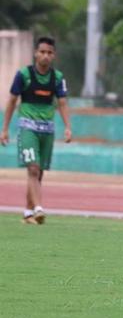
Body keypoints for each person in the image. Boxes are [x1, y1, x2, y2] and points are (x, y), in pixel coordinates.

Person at [1, 37, 73, 225]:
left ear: (54, 55)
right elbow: (11, 101)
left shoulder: (57, 78)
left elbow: (63, 103)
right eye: (42, 52)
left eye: (49, 53)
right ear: (35, 53)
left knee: (38, 173)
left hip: (47, 130)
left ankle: (27, 213)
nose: (45, 56)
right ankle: (39, 208)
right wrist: (5, 129)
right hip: (27, 128)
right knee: (32, 168)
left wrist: (67, 127)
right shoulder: (23, 75)